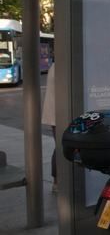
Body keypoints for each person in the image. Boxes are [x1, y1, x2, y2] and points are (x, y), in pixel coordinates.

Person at [41, 62, 56, 193]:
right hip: (59, 116)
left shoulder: (54, 67)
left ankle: (57, 181)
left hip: (56, 115)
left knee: (59, 147)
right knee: (61, 148)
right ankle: (57, 181)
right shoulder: (60, 68)